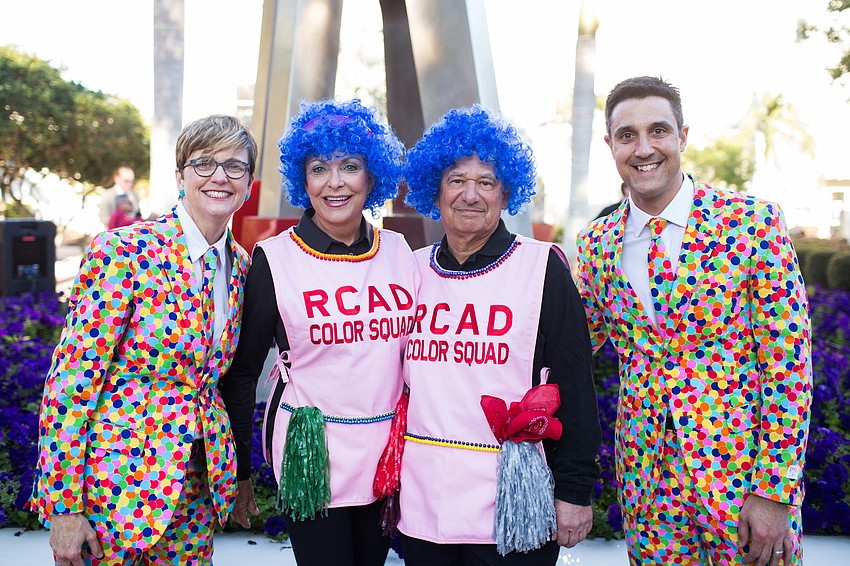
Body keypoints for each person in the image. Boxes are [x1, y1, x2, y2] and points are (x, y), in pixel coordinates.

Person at [575, 76, 812, 565]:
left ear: (682, 136)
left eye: (658, 131)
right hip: (647, 482)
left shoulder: (753, 224)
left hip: (743, 481)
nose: (644, 148)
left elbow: (788, 364)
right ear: (610, 145)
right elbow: (577, 343)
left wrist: (774, 491)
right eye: (627, 135)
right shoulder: (596, 243)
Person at [29, 114, 258, 565]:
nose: (219, 176)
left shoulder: (243, 267)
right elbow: (72, 382)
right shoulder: (124, 251)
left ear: (249, 184)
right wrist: (63, 508)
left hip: (196, 491)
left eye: (235, 166)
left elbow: (224, 380)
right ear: (180, 176)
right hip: (113, 494)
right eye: (204, 163)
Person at [398, 105, 601, 566]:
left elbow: (575, 384)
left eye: (486, 182)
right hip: (425, 496)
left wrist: (574, 490)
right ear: (436, 188)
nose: (470, 194)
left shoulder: (542, 266)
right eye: (456, 179)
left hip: (514, 498)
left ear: (506, 192)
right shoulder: (410, 270)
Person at [220, 98, 418, 566]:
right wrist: (241, 473)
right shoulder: (274, 258)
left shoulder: (399, 251)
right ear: (301, 178)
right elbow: (243, 373)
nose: (334, 183)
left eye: (350, 166)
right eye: (318, 168)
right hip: (311, 455)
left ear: (372, 178)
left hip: (388, 454)